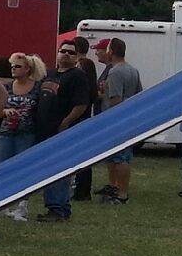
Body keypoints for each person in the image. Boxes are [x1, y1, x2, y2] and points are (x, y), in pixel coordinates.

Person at [34, 41, 93, 223]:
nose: (66, 54)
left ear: (76, 57)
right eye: (63, 51)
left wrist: (66, 122)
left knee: (58, 169)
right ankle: (56, 207)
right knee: (48, 170)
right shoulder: (49, 75)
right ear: (57, 53)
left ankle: (58, 209)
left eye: (71, 53)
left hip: (63, 131)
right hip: (44, 130)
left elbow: (82, 104)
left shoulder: (78, 76)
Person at [0, 51, 44, 222]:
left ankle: (22, 206)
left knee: (24, 170)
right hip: (6, 133)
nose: (13, 69)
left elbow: (41, 110)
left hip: (27, 134)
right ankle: (2, 204)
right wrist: (4, 111)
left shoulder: (37, 87)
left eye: (18, 66)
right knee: (1, 169)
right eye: (12, 66)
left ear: (28, 69)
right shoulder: (6, 88)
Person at [97, 37, 142, 205]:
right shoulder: (133, 70)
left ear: (111, 51)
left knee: (121, 157)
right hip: (130, 118)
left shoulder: (115, 71)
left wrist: (112, 118)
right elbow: (139, 94)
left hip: (117, 120)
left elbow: (116, 98)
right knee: (118, 156)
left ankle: (121, 194)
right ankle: (116, 188)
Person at [72, 36, 100, 201]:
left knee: (80, 155)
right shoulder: (88, 65)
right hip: (85, 115)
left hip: (81, 116)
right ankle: (82, 189)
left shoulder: (82, 65)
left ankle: (81, 190)